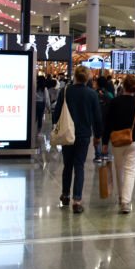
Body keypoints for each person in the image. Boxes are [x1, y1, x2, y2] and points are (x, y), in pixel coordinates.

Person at [53, 65, 103, 213]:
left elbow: (56, 114)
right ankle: (77, 200)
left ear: (75, 76)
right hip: (83, 135)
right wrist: (98, 136)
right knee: (79, 166)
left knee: (67, 165)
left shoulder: (65, 91)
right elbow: (97, 118)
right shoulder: (92, 94)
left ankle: (65, 195)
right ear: (88, 77)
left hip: (67, 134)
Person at [103, 74, 135, 214]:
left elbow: (108, 123)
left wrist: (104, 142)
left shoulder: (114, 102)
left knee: (119, 169)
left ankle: (121, 197)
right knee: (130, 171)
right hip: (134, 140)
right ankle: (125, 202)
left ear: (123, 86)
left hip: (117, 140)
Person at [94, 75, 115, 162]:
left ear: (97, 84)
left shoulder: (94, 93)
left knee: (97, 135)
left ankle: (98, 155)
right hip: (107, 119)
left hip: (96, 118)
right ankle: (105, 154)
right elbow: (113, 106)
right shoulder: (109, 94)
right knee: (106, 136)